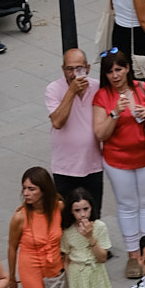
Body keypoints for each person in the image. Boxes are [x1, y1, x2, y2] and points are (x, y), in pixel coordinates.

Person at [92, 48, 145, 272]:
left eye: (119, 69)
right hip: (117, 161)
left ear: (127, 69)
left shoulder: (143, 89)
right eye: (110, 72)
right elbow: (100, 134)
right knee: (127, 206)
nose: (115, 75)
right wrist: (115, 114)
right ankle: (133, 255)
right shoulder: (102, 97)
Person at [47, 49, 106, 215]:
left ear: (87, 68)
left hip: (93, 166)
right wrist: (71, 92)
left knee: (93, 215)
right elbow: (57, 121)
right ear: (62, 69)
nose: (73, 74)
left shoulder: (97, 87)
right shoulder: (54, 89)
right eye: (69, 69)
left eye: (78, 68)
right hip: (64, 168)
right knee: (65, 217)